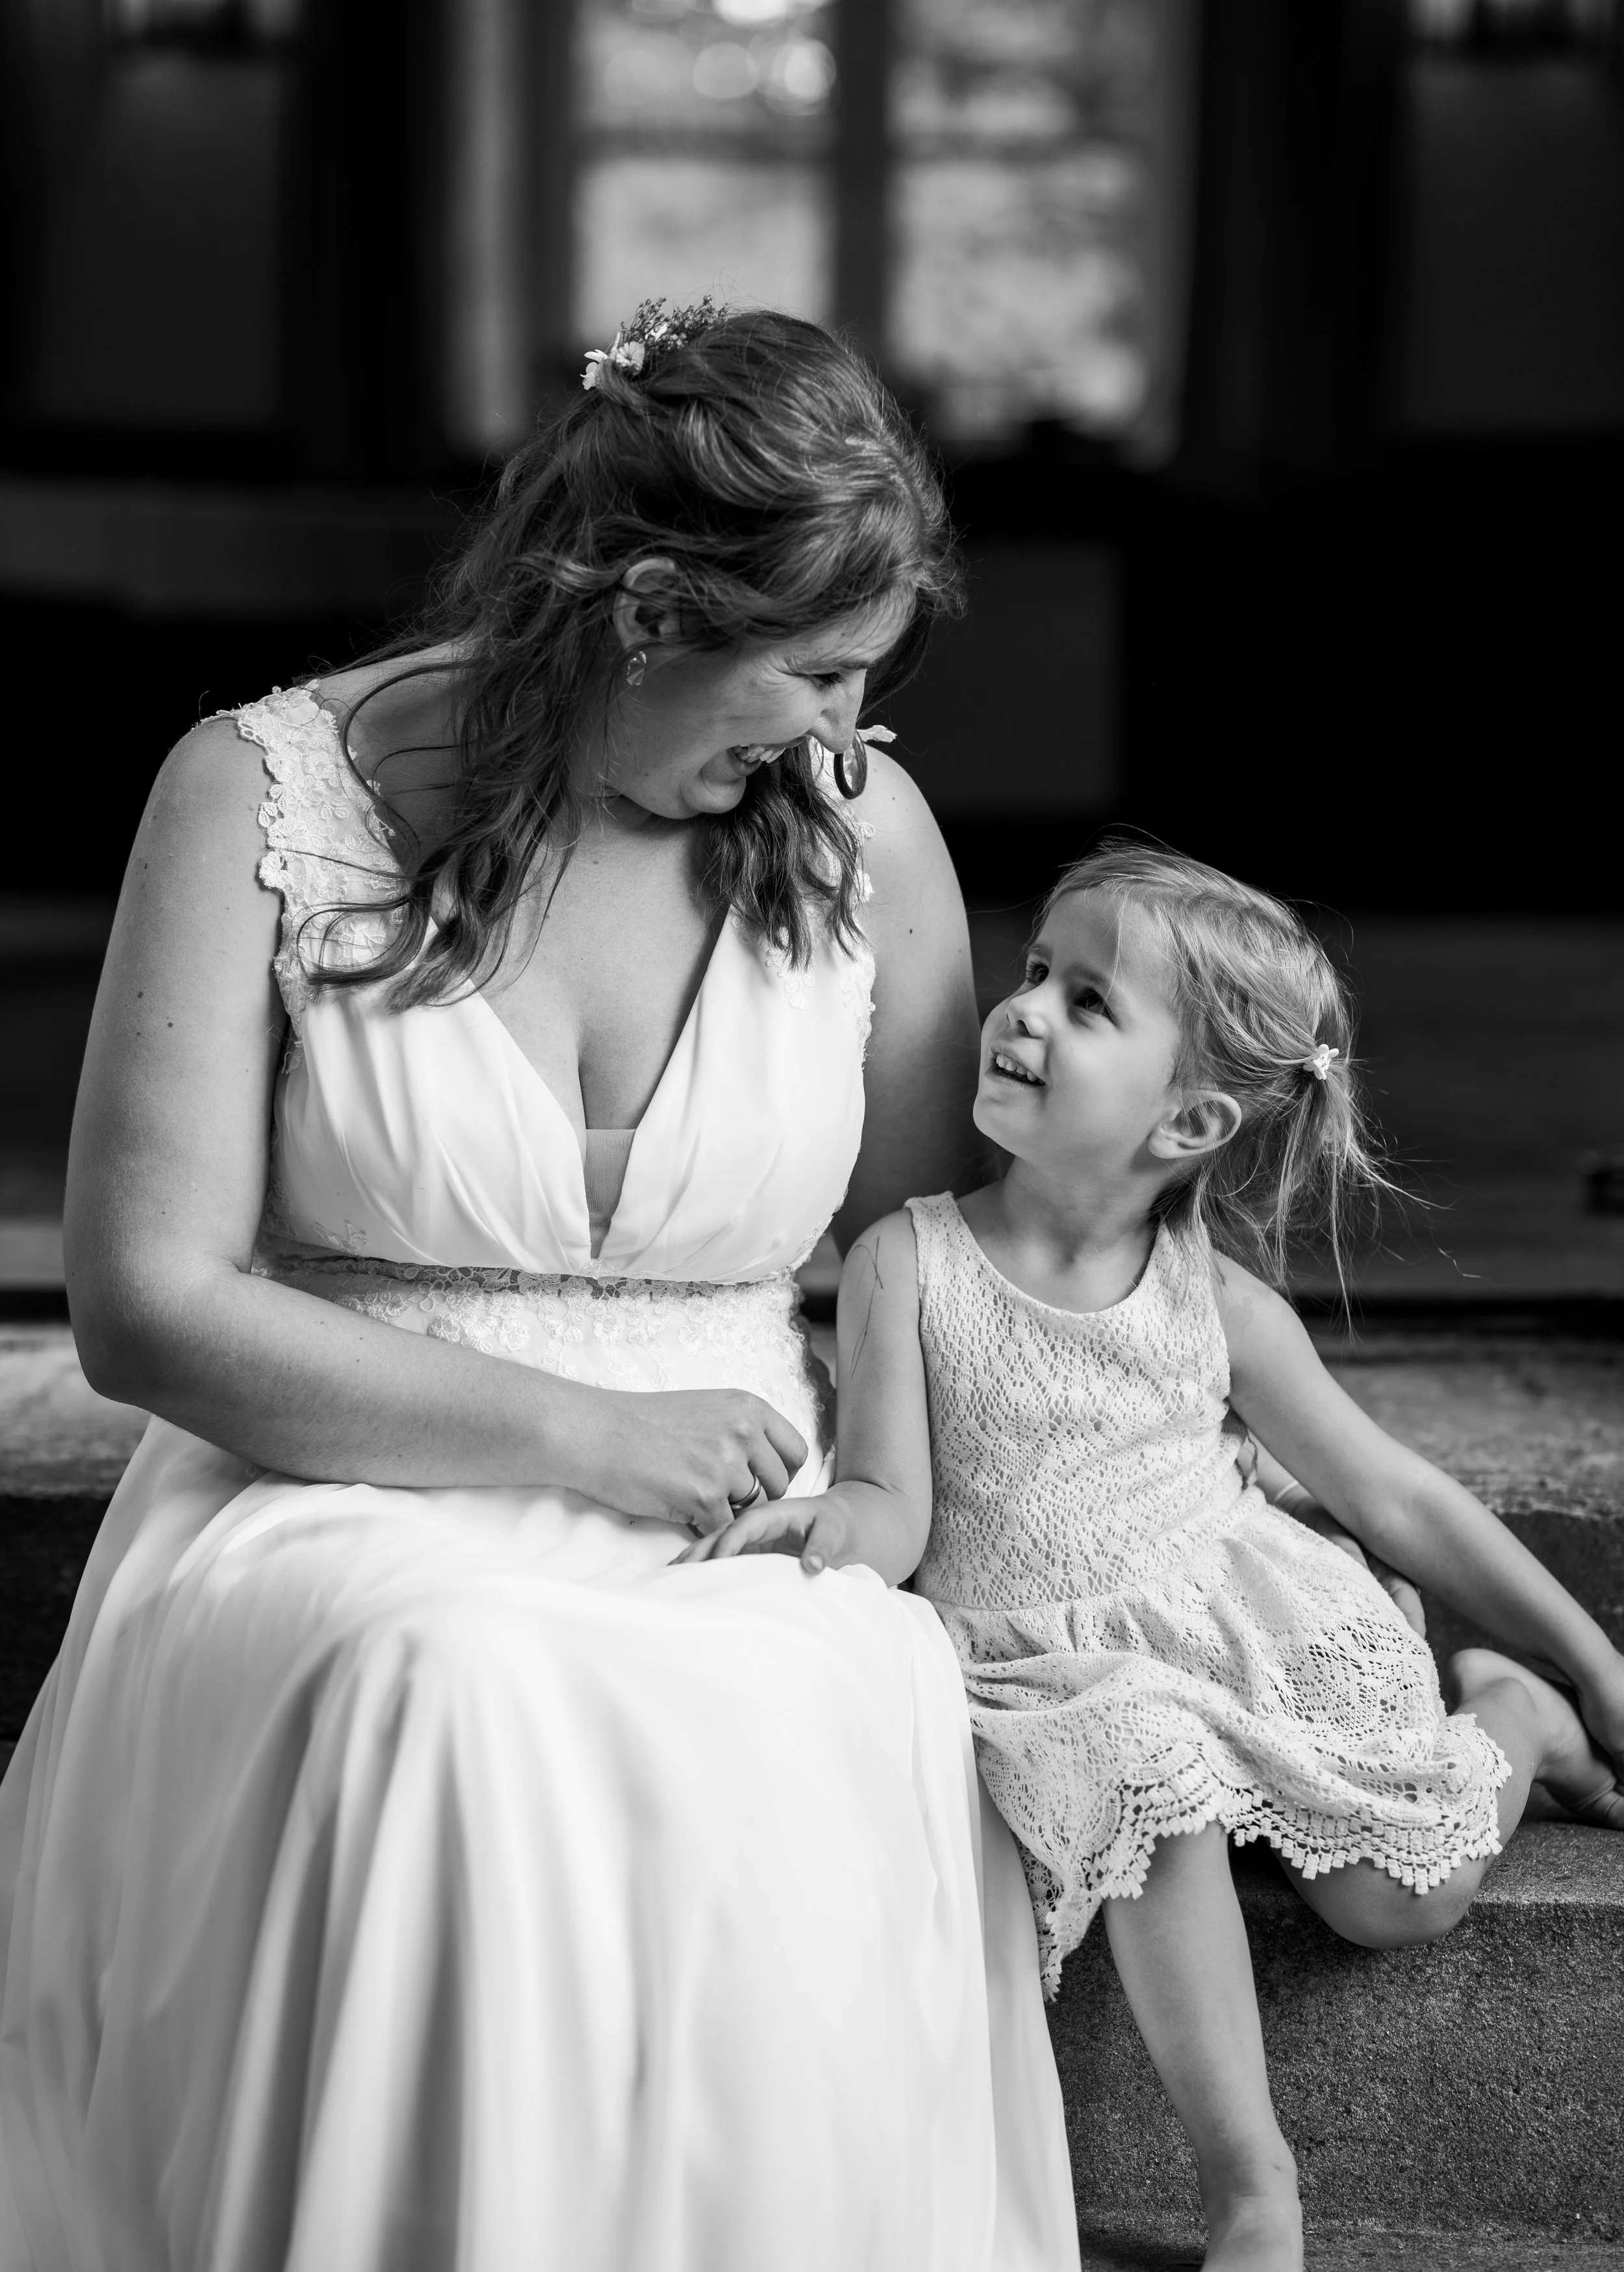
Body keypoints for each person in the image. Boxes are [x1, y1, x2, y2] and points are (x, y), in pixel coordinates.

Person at [0, 305, 1084, 2272]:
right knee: (465, 1687)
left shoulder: (861, 832)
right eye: (814, 670)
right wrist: (585, 1436)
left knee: (817, 1685)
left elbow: (932, 1262)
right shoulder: (254, 797)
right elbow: (145, 1301)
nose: (839, 734)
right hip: (326, 1493)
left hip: (743, 1517)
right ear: (646, 610)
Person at [695, 840, 1624, 2272]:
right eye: (1033, 974)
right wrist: (833, 1533)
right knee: (1142, 1759)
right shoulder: (906, 1261)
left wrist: (1593, 1655)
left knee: (1397, 1902)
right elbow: (891, 1499)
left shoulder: (1218, 1303)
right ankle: (1249, 2185)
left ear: (1187, 1119)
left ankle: (1515, 1713)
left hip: (1232, 1623)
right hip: (1049, 1664)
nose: (1020, 1012)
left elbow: (1396, 1498)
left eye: (1085, 1003)